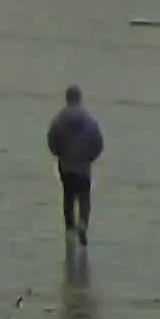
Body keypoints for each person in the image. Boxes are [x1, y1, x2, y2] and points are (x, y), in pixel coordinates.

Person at [45, 85, 104, 240]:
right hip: (83, 167)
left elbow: (51, 139)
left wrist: (59, 154)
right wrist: (90, 157)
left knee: (68, 196)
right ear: (80, 98)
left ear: (67, 98)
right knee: (84, 196)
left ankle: (70, 229)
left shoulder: (59, 119)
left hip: (66, 166)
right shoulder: (89, 121)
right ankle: (83, 224)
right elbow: (98, 143)